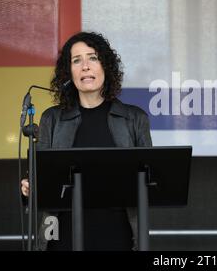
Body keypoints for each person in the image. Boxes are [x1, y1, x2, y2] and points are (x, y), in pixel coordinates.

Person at [20, 31, 152, 250]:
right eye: (76, 60)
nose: (85, 66)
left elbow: (149, 183)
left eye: (93, 58)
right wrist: (29, 187)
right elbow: (41, 179)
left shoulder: (134, 118)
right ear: (68, 72)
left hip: (117, 234)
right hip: (63, 235)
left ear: (106, 67)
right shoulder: (52, 119)